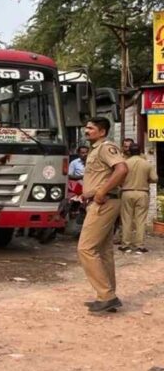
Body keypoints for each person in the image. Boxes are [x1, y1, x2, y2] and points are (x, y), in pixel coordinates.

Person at [77, 118, 128, 313]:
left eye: (90, 128)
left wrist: (100, 192)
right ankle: (108, 296)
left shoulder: (106, 147)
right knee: (103, 250)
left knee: (86, 248)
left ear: (102, 131)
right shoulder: (95, 149)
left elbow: (122, 169)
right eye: (86, 127)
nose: (86, 130)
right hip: (100, 201)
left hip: (104, 202)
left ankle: (106, 295)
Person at [119, 143, 158, 254]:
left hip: (127, 192)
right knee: (140, 220)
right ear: (140, 151)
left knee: (127, 220)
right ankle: (139, 246)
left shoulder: (125, 163)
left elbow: (118, 177)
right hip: (142, 193)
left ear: (129, 152)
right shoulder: (147, 164)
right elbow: (155, 179)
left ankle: (125, 245)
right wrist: (146, 180)